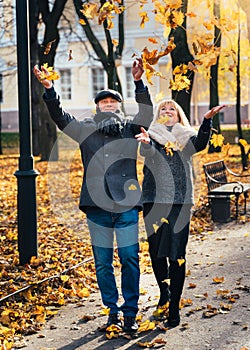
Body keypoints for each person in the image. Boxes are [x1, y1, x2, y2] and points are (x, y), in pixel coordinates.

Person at [33, 59, 153, 334]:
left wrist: (138, 82)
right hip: (96, 206)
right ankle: (112, 311)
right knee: (102, 263)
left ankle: (130, 313)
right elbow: (61, 117)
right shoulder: (86, 129)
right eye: (104, 102)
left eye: (113, 102)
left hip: (125, 206)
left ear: (119, 107)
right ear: (97, 107)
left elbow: (146, 115)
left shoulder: (130, 129)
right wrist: (50, 88)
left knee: (129, 258)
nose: (109, 105)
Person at [135, 98, 225, 327]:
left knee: (176, 254)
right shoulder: (152, 135)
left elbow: (201, 143)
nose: (167, 111)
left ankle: (174, 307)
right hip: (154, 201)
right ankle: (164, 292)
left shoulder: (186, 137)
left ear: (178, 114)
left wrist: (206, 121)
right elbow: (150, 154)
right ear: (158, 115)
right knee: (156, 253)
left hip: (180, 202)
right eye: (163, 109)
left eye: (171, 109)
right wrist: (146, 143)